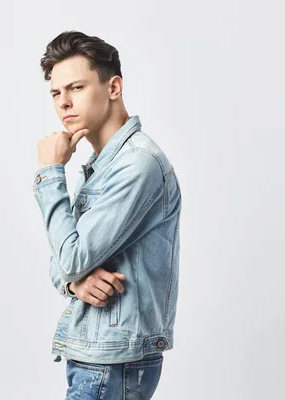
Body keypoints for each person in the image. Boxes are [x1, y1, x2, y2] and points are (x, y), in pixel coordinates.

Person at [32, 30, 182, 399]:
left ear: (113, 87)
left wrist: (50, 173)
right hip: (97, 355)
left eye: (76, 88)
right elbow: (65, 260)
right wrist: (74, 283)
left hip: (111, 362)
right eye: (55, 93)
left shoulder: (137, 166)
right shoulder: (106, 166)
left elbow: (70, 257)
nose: (63, 103)